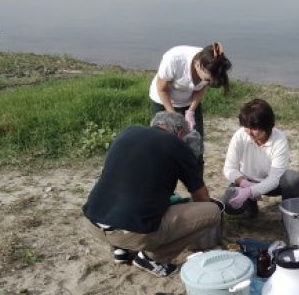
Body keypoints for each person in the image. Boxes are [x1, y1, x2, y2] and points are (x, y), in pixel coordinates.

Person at [82, 112, 220, 277]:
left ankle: (121, 251)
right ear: (180, 133)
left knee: (126, 195)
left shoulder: (128, 132)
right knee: (212, 212)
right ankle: (152, 259)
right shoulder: (177, 144)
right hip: (132, 233)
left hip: (93, 222)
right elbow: (201, 197)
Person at [149, 42, 232, 174]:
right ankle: (162, 184)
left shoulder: (213, 66)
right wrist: (174, 116)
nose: (208, 82)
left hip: (188, 102)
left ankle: (196, 185)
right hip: (163, 100)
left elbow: (200, 89)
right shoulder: (174, 59)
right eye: (207, 79)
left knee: (195, 145)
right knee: (162, 144)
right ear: (198, 64)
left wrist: (191, 110)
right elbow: (162, 89)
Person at [222, 98, 299, 216]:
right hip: (246, 180)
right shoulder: (240, 135)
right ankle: (251, 207)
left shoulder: (279, 140)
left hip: (272, 185)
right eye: (246, 127)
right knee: (229, 204)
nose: (249, 132)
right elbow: (229, 168)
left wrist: (252, 191)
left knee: (293, 180)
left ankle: (289, 214)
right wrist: (244, 183)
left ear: (267, 126)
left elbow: (274, 179)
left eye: (254, 128)